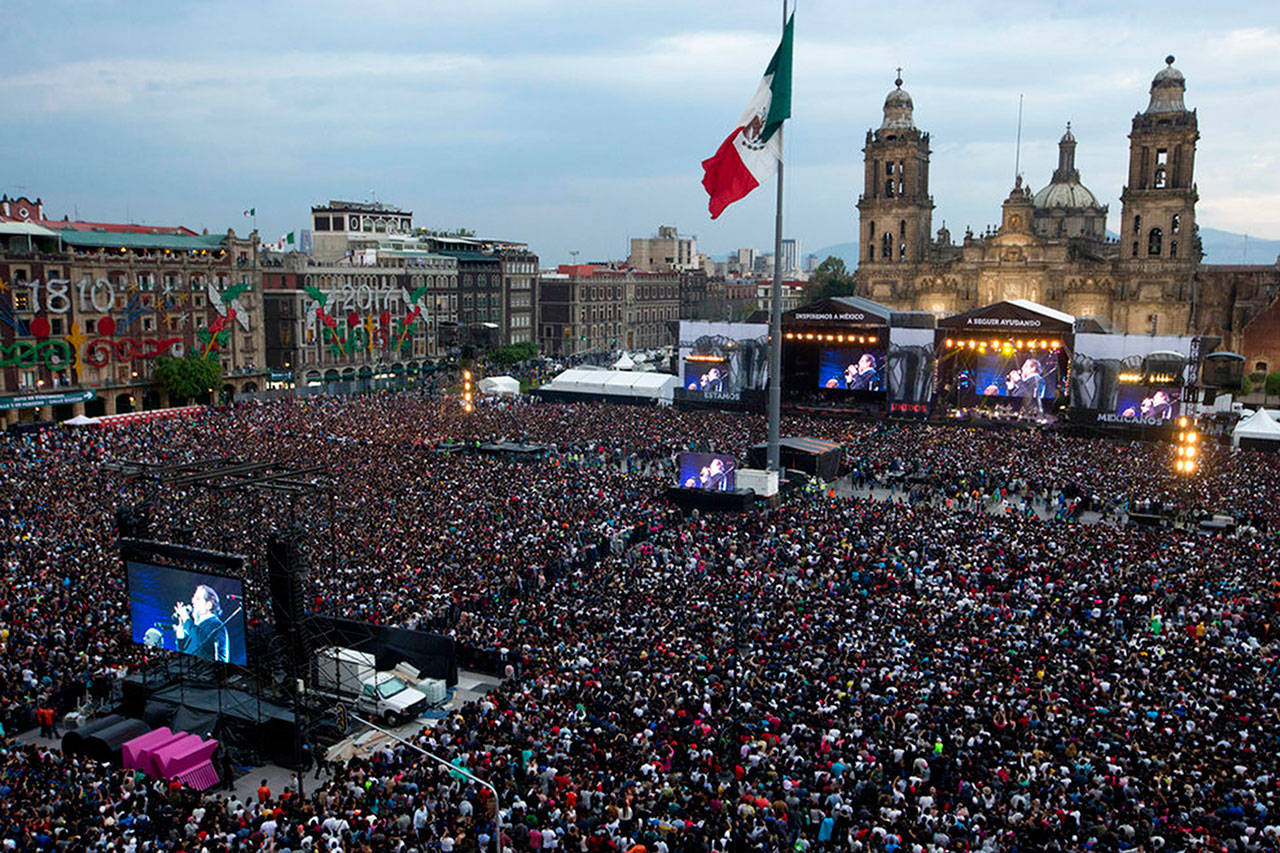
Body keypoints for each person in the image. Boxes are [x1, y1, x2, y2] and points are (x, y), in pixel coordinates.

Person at [173, 584, 230, 663]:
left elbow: (201, 642)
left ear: (208, 605)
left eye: (198, 599)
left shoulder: (216, 625)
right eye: (193, 598)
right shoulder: (196, 629)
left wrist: (186, 618)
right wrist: (181, 633)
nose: (193, 601)